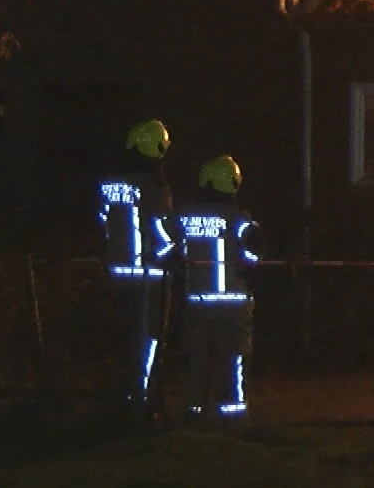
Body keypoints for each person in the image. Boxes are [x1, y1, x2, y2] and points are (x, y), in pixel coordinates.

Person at [97, 119, 177, 419]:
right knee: (147, 342)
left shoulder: (109, 184)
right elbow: (165, 230)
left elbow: (103, 226)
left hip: (116, 273)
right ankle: (142, 404)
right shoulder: (155, 187)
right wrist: (172, 257)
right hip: (149, 277)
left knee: (121, 340)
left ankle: (119, 399)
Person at [177, 156, 259, 420]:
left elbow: (171, 248)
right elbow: (255, 252)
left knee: (198, 362)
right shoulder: (241, 219)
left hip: (198, 303)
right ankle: (232, 418)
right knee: (233, 363)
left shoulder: (186, 217)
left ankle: (193, 413)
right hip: (234, 306)